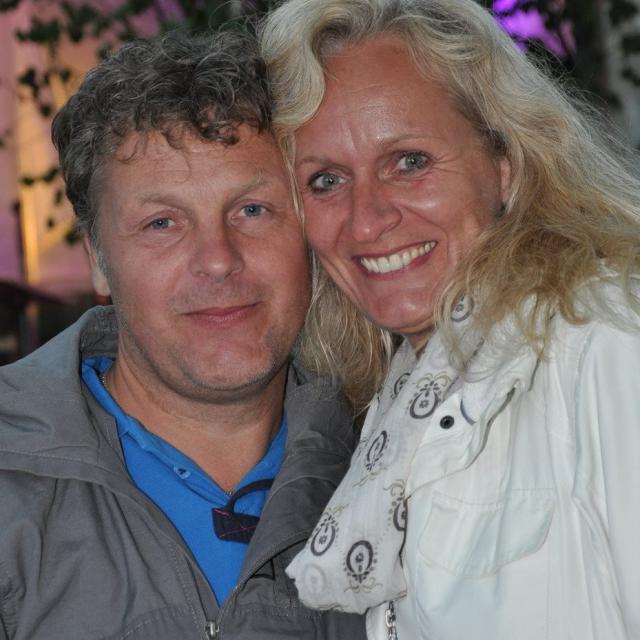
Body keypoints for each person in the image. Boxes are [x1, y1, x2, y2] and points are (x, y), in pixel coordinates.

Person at [260, 0, 640, 638]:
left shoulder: (607, 336)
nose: (367, 221)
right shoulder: (397, 397)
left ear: (506, 165)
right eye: (325, 181)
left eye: (409, 161)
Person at [0, 30, 367, 640]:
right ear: (98, 261)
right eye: (162, 223)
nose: (217, 259)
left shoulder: (399, 465)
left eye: (252, 210)